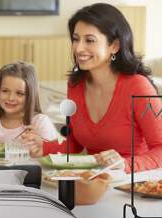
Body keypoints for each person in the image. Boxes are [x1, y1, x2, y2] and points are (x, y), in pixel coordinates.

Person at [25, 3, 162, 173]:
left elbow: (160, 149)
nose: (79, 48)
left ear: (115, 46)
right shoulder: (75, 85)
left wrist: (125, 164)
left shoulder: (138, 87)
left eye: (89, 40)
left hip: (131, 185)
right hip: (91, 181)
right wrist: (44, 146)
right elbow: (75, 143)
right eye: (76, 39)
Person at [0, 61, 58, 143]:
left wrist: (39, 142)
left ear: (30, 95)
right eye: (5, 91)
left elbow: (52, 152)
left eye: (19, 93)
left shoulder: (40, 122)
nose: (11, 98)